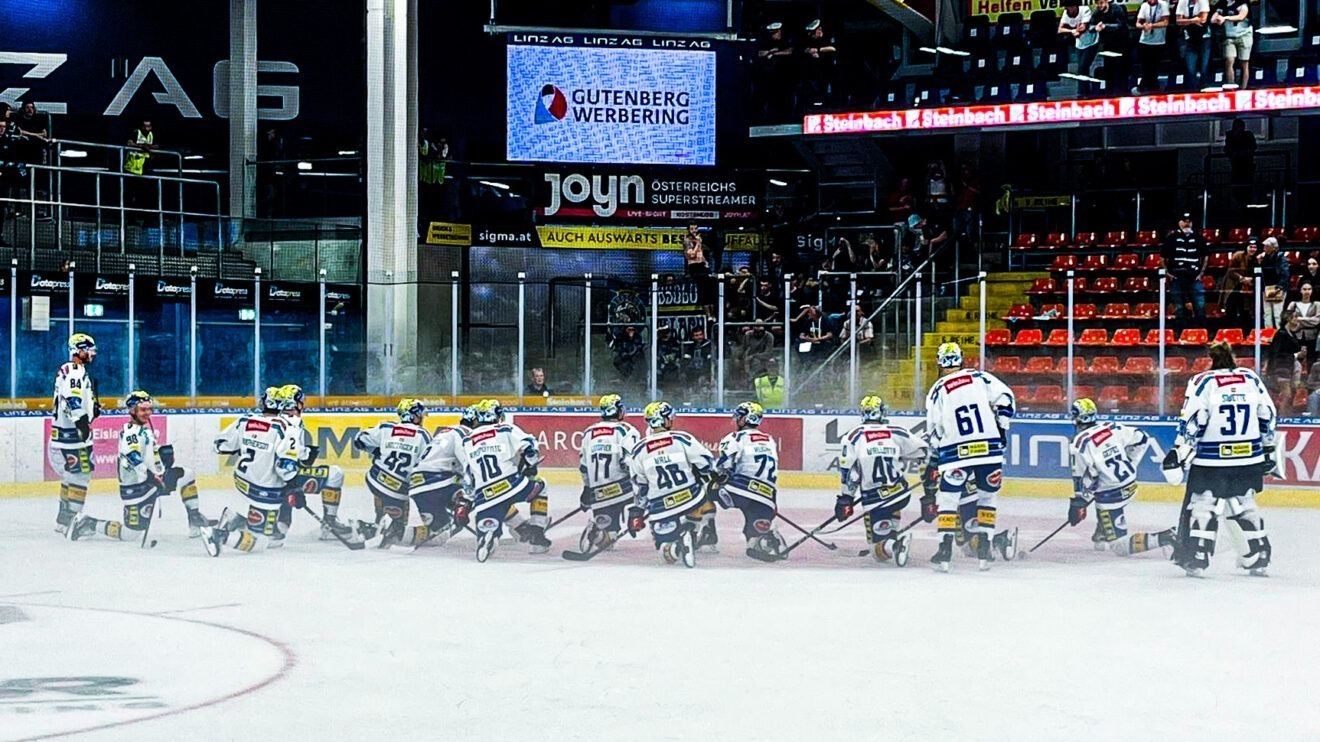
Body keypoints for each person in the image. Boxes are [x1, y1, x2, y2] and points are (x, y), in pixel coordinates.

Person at [1163, 341, 1275, 576]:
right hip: (1249, 456)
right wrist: (1268, 447)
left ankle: (1198, 556)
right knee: (1245, 502)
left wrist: (1180, 452)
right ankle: (1258, 555)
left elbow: (1193, 422)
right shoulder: (1250, 378)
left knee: (1204, 504)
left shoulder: (1204, 382)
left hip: (1212, 459)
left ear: (1211, 359)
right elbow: (1268, 414)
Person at [68, 391, 212, 542]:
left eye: (149, 409)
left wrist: (163, 461)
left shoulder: (144, 431)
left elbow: (147, 458)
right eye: (143, 409)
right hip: (136, 488)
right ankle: (88, 523)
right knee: (129, 534)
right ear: (132, 410)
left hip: (150, 482)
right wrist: (152, 475)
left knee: (187, 475)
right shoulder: (132, 433)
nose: (147, 413)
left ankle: (195, 519)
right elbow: (132, 457)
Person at [924, 341, 1018, 571]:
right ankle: (984, 549)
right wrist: (1002, 429)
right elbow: (1006, 399)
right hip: (989, 449)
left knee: (948, 500)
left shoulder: (938, 389)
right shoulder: (981, 378)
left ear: (939, 361)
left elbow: (934, 429)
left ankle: (944, 551)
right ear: (961, 358)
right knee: (987, 499)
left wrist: (935, 457)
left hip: (956, 452)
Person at [1065, 398, 1175, 556]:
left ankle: (1165, 537)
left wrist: (1078, 504)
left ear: (1076, 418)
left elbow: (1082, 479)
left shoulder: (1079, 444)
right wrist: (1131, 462)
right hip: (1130, 485)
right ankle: (1103, 532)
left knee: (1120, 547)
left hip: (1111, 496)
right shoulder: (1112, 427)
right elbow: (1142, 437)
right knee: (1100, 490)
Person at [204, 388, 304, 555]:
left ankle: (233, 518)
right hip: (265, 491)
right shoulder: (288, 428)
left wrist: (251, 445)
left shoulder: (245, 420)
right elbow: (284, 468)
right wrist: (295, 487)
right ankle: (218, 535)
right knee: (265, 543)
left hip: (242, 481)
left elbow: (220, 446)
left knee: (270, 534)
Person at [833, 396, 929, 565]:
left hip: (875, 499)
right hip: (900, 494)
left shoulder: (853, 436)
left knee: (878, 552)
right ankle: (892, 534)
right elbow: (925, 452)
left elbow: (849, 471)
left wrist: (846, 498)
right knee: (891, 510)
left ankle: (895, 544)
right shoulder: (897, 431)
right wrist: (931, 485)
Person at [457, 399, 551, 561]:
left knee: (490, 518)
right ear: (498, 416)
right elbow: (530, 445)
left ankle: (488, 537)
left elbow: (468, 475)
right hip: (511, 485)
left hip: (484, 495)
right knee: (540, 487)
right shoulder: (505, 429)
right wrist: (530, 466)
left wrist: (465, 503)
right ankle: (536, 533)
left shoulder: (467, 440)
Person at [625, 401, 716, 567]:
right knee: (703, 496)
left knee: (667, 551)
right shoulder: (682, 438)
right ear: (664, 420)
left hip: (662, 507)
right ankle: (692, 529)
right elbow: (707, 464)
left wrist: (638, 510)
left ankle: (674, 545)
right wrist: (702, 474)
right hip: (691, 497)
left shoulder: (639, 450)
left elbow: (640, 486)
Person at [352, 399, 434, 548]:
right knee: (399, 524)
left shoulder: (386, 427)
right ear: (415, 416)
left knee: (382, 481)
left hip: (375, 479)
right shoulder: (423, 435)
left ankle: (378, 522)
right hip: (400, 491)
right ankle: (393, 529)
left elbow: (359, 440)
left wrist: (376, 451)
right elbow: (428, 464)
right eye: (420, 415)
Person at [275, 384, 350, 542]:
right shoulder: (293, 423)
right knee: (335, 474)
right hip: (281, 477)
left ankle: (278, 523)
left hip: (265, 478)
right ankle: (329, 524)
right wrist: (295, 487)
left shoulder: (270, 419)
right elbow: (288, 462)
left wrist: (304, 453)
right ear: (296, 403)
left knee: (277, 530)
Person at [710, 402, 785, 560]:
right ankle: (765, 537)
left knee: (703, 492)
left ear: (743, 419)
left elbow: (723, 468)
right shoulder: (769, 440)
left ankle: (705, 534)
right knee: (754, 540)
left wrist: (716, 475)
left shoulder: (734, 438)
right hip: (767, 497)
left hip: (740, 490)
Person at [577, 394, 641, 553]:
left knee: (609, 541)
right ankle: (662, 530)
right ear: (618, 411)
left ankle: (597, 533)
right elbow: (630, 463)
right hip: (624, 489)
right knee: (654, 495)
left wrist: (587, 490)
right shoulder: (626, 430)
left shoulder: (588, 432)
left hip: (599, 493)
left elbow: (584, 467)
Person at [50, 333, 100, 535]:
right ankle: (74, 521)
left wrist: (92, 407)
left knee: (72, 473)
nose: (93, 353)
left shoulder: (68, 370)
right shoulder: (75, 370)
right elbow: (72, 399)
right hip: (73, 436)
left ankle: (63, 519)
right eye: (89, 349)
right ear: (79, 350)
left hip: (63, 434)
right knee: (81, 473)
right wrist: (82, 422)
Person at [407, 405, 478, 548]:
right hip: (439, 482)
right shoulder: (466, 434)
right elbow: (470, 465)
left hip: (418, 486)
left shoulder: (446, 432)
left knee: (439, 533)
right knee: (482, 492)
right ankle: (518, 527)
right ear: (476, 421)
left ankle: (394, 534)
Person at [1161, 212, 1208, 320]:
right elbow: (1162, 257)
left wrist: (1201, 273)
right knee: (1179, 308)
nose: (1187, 224)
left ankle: (1200, 332)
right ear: (1179, 223)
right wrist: (1167, 273)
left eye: (1189, 221)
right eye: (1184, 221)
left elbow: (1206, 256)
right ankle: (1180, 332)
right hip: (1177, 278)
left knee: (1199, 307)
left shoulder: (1198, 238)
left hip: (1194, 278)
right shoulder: (1171, 238)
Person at [1264, 310, 1304, 415]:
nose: (1297, 319)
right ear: (1288, 319)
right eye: (1295, 317)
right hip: (1281, 368)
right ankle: (1282, 417)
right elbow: (1275, 353)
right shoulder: (1281, 334)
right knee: (1287, 394)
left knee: (1290, 394)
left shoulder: (1292, 334)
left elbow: (1295, 348)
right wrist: (1271, 370)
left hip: (1289, 367)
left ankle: (1287, 414)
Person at [1211, 0, 1253, 88]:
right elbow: (1213, 19)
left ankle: (1243, 87)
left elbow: (1241, 16)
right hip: (1229, 36)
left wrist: (1226, 18)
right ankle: (1231, 85)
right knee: (1229, 59)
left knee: (1244, 62)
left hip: (1244, 34)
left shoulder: (1243, 3)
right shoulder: (1221, 4)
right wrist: (1217, 18)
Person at [1091, 0, 1132, 91]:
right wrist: (1095, 27)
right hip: (1108, 45)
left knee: (1122, 70)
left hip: (1122, 43)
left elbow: (1120, 25)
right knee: (1109, 70)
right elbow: (1090, 26)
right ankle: (1110, 92)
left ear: (1106, 2)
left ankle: (1123, 91)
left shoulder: (1117, 9)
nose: (1099, 5)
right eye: (1097, 3)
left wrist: (1105, 26)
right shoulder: (1097, 12)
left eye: (1101, 3)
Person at [1059, 3, 1100, 87]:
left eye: (1069, 7)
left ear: (1074, 6)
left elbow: (1084, 27)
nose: (1068, 9)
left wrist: (1077, 31)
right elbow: (1060, 29)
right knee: (1081, 69)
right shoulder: (1066, 13)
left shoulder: (1085, 9)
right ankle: (1084, 91)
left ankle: (1083, 93)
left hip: (1092, 42)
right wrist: (1071, 31)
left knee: (1082, 67)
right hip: (1079, 44)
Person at [800, 19, 838, 108]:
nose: (819, 32)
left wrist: (818, 50)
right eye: (817, 30)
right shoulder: (809, 39)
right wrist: (810, 51)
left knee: (827, 86)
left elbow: (833, 48)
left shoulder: (827, 38)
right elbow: (804, 49)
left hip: (827, 67)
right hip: (814, 69)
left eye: (820, 29)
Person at [1135, 0, 1171, 93]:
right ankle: (1147, 88)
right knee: (1145, 68)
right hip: (1144, 41)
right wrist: (1143, 26)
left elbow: (1165, 22)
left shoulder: (1163, 5)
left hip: (1159, 42)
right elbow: (1137, 23)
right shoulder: (1144, 6)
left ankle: (1150, 88)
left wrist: (1152, 25)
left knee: (1154, 68)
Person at [1175, 0, 1211, 90]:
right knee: (1190, 68)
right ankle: (1192, 90)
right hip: (1189, 39)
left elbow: (1203, 19)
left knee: (1204, 67)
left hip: (1204, 38)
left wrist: (1186, 19)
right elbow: (1178, 21)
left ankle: (1204, 89)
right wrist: (1192, 20)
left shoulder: (1203, 1)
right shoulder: (1182, 2)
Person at [1220, 235, 1258, 319]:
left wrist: (1251, 279)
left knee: (1245, 311)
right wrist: (1241, 278)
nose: (1252, 249)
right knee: (1231, 309)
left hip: (1249, 287)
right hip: (1234, 286)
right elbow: (1231, 271)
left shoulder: (1258, 258)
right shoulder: (1238, 255)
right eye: (1250, 247)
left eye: (1255, 247)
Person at [1257, 236, 1289, 328]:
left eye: (1266, 246)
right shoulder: (1263, 258)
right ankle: (1269, 334)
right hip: (1266, 288)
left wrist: (1279, 287)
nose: (1264, 248)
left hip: (1278, 288)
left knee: (1277, 314)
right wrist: (1259, 262)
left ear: (1274, 247)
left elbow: (1285, 274)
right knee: (1267, 314)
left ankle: (1279, 334)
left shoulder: (1281, 258)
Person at [1224, 118, 1256, 204]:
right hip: (1240, 167)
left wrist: (1237, 154)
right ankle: (1241, 203)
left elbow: (1252, 147)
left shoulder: (1245, 135)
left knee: (1244, 187)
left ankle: (1242, 203)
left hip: (1244, 167)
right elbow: (1228, 149)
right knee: (1240, 187)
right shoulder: (1232, 136)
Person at [1286, 281, 1319, 363]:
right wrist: (1309, 321)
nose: (1307, 291)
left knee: (1312, 361)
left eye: (1309, 289)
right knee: (1295, 360)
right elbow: (1288, 319)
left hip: (1312, 337)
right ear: (1300, 290)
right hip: (1296, 335)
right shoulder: (1293, 304)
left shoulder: (1317, 304)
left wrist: (1299, 319)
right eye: (1304, 289)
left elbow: (1317, 320)